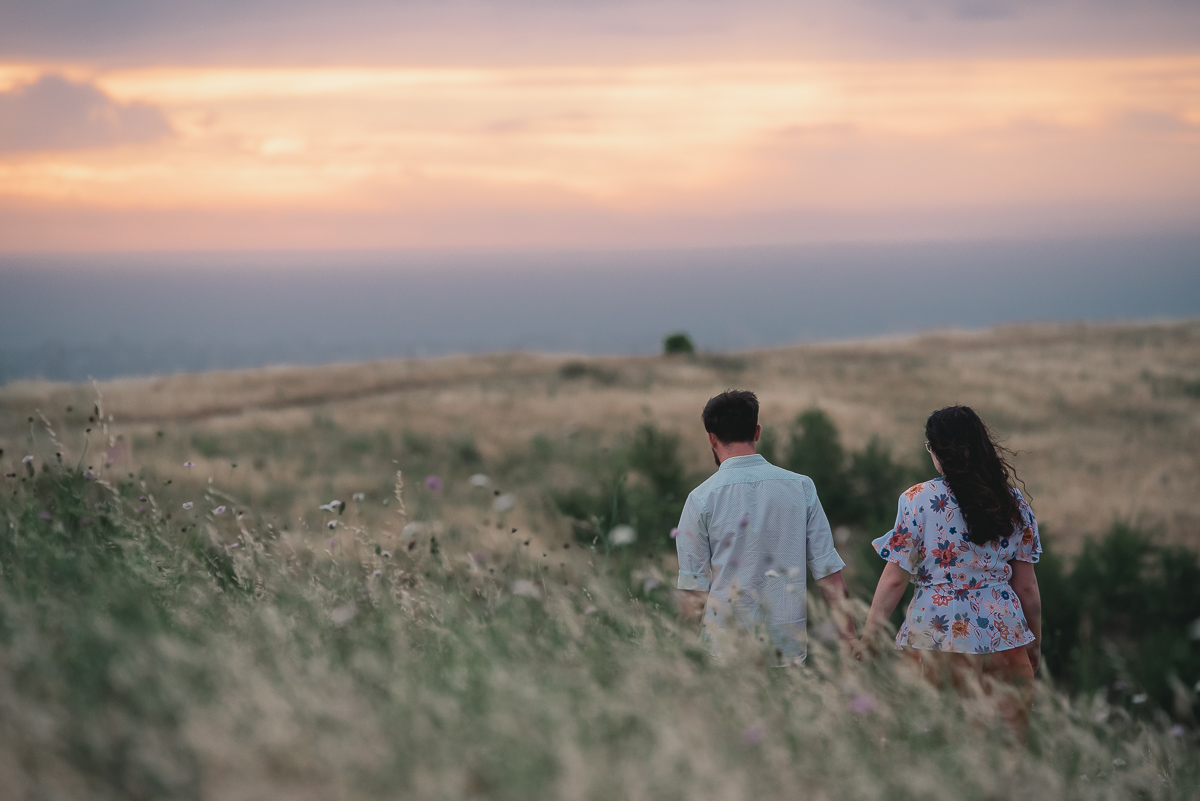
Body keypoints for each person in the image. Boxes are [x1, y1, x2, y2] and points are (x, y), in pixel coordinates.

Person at [863, 405, 1042, 729]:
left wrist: (868, 637)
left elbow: (894, 581)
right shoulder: (1014, 503)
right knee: (1007, 748)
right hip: (1005, 633)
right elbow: (1026, 587)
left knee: (936, 745)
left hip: (937, 632)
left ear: (935, 451)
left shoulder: (917, 500)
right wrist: (1033, 642)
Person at [675, 390, 857, 665]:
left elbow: (694, 589)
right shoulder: (801, 487)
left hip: (723, 649)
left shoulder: (700, 499)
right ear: (757, 432)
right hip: (786, 648)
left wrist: (685, 657)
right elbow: (829, 573)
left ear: (711, 437)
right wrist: (850, 640)